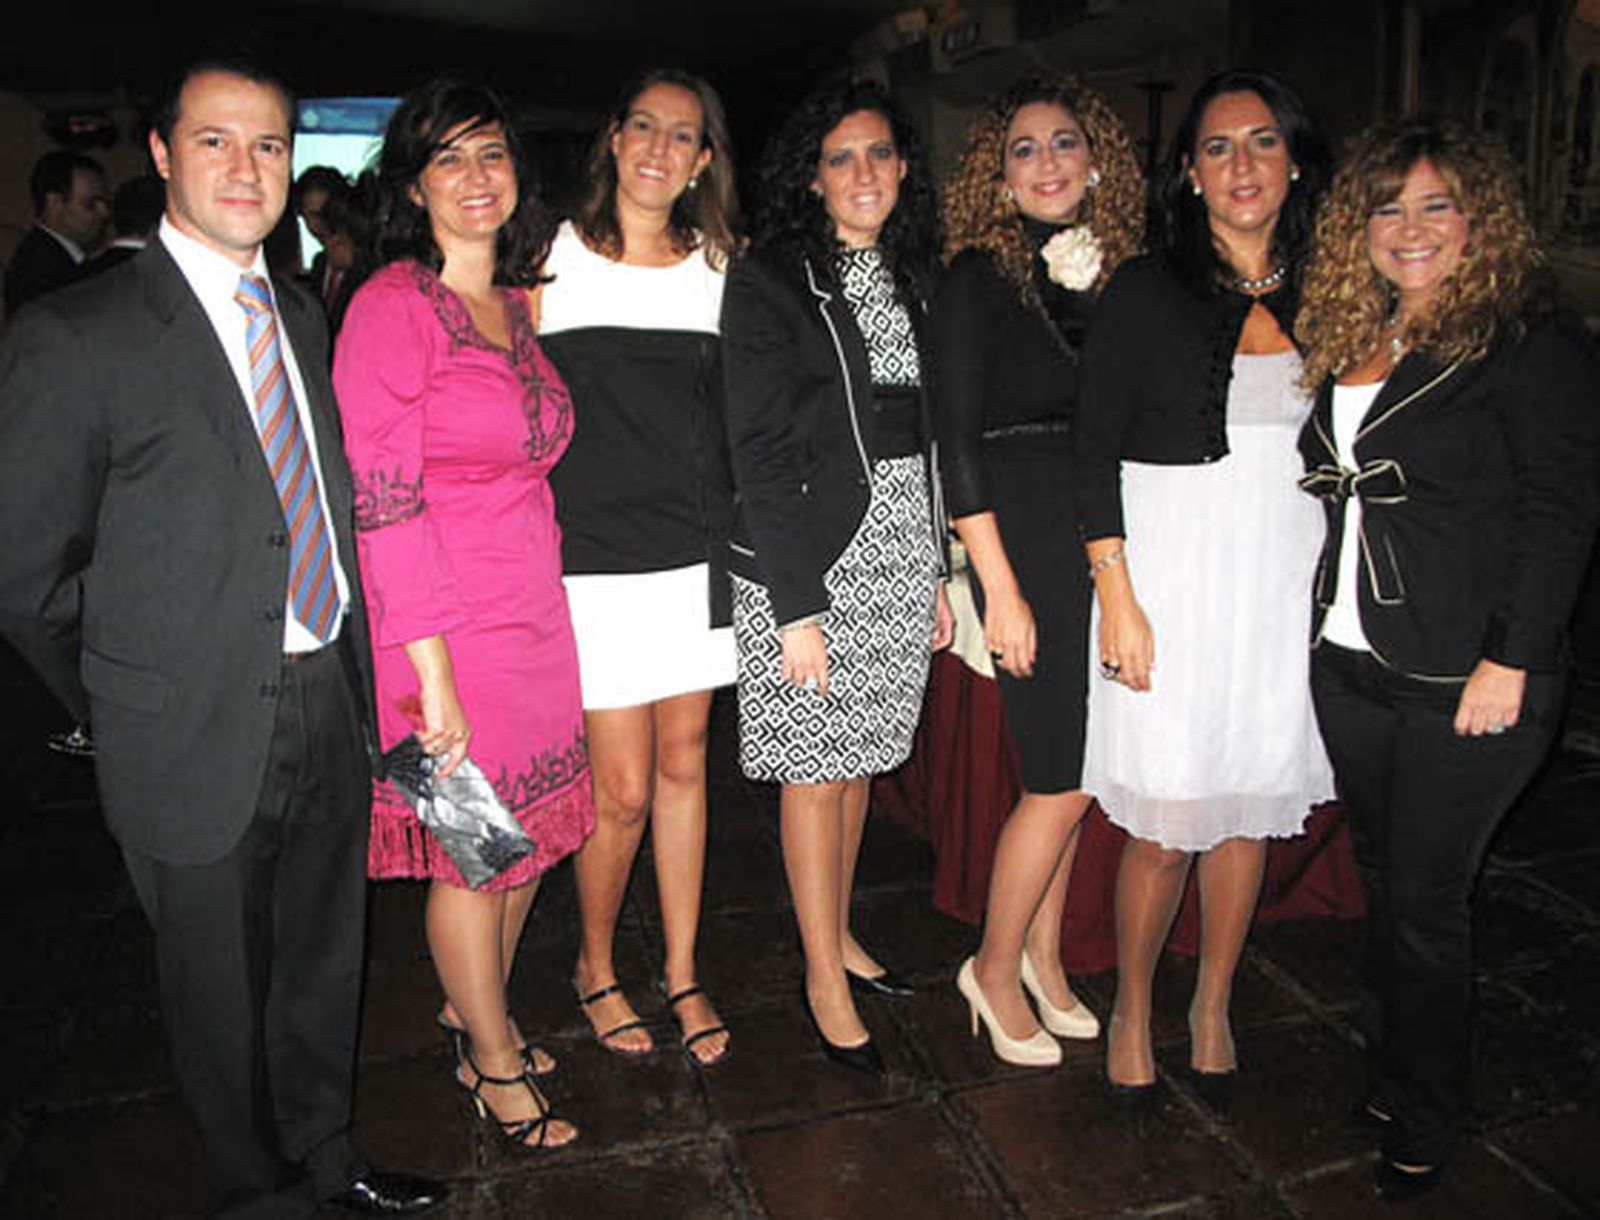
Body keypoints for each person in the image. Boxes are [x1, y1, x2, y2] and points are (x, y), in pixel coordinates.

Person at [0, 60, 441, 1216]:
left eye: (268, 146)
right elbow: (23, 576)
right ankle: (256, 1195)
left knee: (320, 966)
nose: (246, 169)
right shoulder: (74, 333)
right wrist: (119, 701)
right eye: (215, 142)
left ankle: (329, 1157)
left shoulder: (299, 310)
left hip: (326, 701)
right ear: (159, 153)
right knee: (216, 998)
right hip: (183, 723)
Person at [1293, 118, 1600, 1199]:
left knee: (1426, 899)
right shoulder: (1356, 329)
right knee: (1385, 878)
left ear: (1480, 219)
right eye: (1388, 207)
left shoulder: (1529, 340)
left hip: (1466, 670)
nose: (1409, 230)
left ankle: (1428, 1102)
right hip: (1350, 652)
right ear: (1358, 226)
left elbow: (1559, 512)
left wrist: (1511, 658)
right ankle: (1394, 1063)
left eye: (1435, 205)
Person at [333, 78, 592, 1152]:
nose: (476, 178)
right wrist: (430, 677)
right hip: (432, 636)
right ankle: (489, 1059)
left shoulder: (517, 302)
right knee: (473, 857)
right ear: (412, 183)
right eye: (449, 158)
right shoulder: (393, 302)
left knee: (524, 841)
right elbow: (380, 499)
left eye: (491, 154)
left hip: (530, 615)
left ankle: (468, 1000)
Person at [1072, 69, 1333, 1101]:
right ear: (1187, 173)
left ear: (1294, 160)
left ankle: (1212, 997)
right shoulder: (1145, 287)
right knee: (1167, 817)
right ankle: (1134, 1000)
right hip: (1169, 578)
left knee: (1248, 807)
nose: (1241, 166)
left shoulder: (1333, 281)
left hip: (1280, 582)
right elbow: (1089, 454)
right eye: (1216, 148)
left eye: (1261, 142)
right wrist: (1118, 597)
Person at [722, 77, 952, 1075]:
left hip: (902, 541)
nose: (862, 173)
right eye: (839, 157)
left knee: (857, 760)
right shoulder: (772, 279)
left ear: (903, 169)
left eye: (878, 155)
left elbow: (926, 433)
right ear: (812, 179)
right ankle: (818, 969)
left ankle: (842, 932)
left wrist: (937, 565)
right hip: (812, 552)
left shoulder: (914, 274)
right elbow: (758, 449)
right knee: (817, 772)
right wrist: (793, 603)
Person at [932, 75, 1144, 1066]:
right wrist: (997, 585)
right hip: (1018, 527)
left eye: (1064, 142)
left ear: (1096, 159)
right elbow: (956, 442)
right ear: (997, 172)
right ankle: (989, 960)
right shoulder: (977, 275)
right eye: (1023, 148)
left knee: (1072, 769)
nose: (1047, 161)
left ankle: (1045, 959)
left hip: (1090, 525)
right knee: (1058, 778)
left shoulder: (1109, 275)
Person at [538, 69, 741, 1066]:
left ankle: (687, 967)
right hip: (593, 562)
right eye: (644, 128)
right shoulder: (549, 259)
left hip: (694, 552)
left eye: (684, 136)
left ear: (705, 159)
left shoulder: (719, 266)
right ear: (613, 139)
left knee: (684, 763)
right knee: (617, 788)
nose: (661, 149)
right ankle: (593, 962)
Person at [4, 149, 110, 314]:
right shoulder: (42, 269)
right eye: (90, 204)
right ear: (54, 204)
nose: (104, 213)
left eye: (104, 202)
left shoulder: (45, 257)